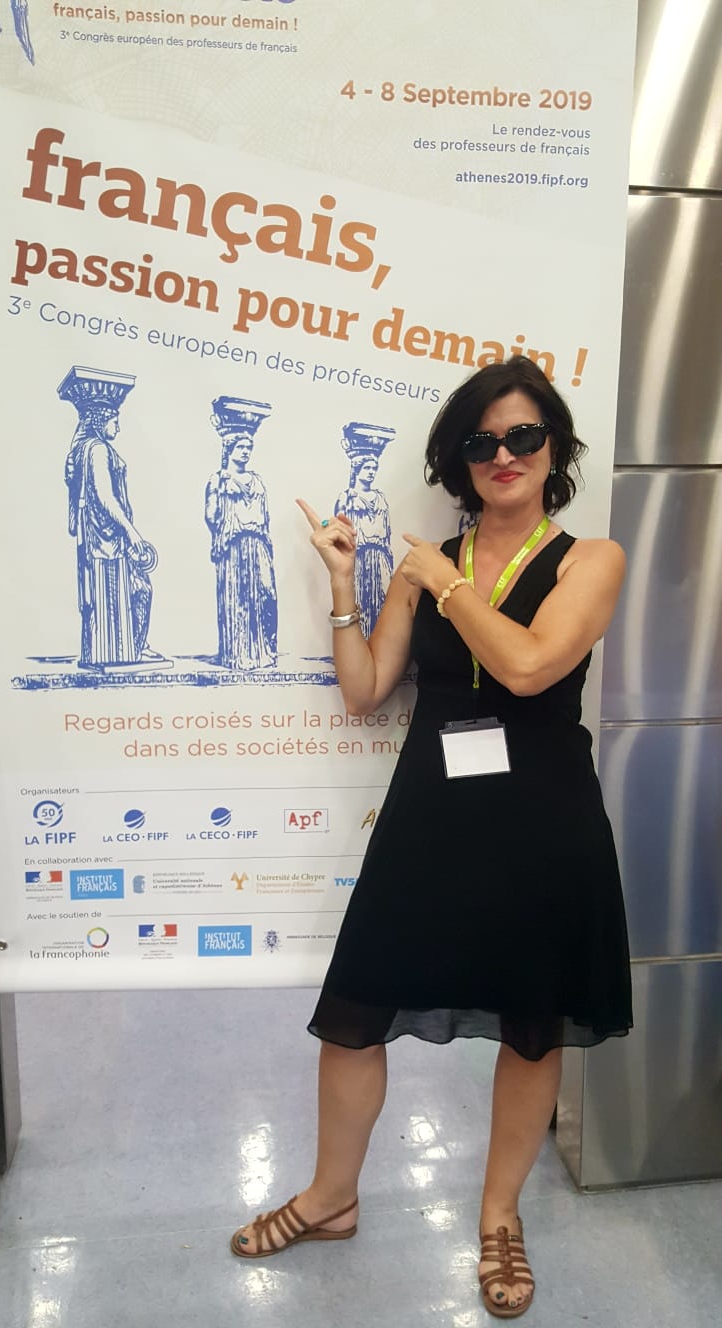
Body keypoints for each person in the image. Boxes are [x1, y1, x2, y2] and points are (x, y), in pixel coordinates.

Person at [230, 357, 633, 1318]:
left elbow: (528, 668)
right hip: (431, 812)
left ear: (553, 449)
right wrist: (344, 584)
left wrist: (445, 584)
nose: (502, 454)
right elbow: (366, 689)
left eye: (522, 436)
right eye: (481, 441)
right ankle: (330, 1198)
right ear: (459, 459)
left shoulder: (589, 559)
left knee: (531, 1026)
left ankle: (498, 1220)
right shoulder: (424, 563)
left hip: (543, 823)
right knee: (355, 1009)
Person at [61, 368, 159, 669]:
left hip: (103, 537)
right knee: (139, 589)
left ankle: (126, 648)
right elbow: (105, 496)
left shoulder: (87, 448)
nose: (118, 426)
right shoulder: (98, 449)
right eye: (115, 420)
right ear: (100, 420)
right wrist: (132, 532)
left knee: (129, 590)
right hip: (108, 537)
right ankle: (128, 649)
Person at [205, 396, 278, 670]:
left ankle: (262, 651)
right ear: (229, 448)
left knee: (265, 594)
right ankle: (239, 654)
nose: (246, 451)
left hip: (257, 543)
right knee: (238, 598)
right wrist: (229, 525)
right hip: (233, 546)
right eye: (241, 447)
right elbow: (211, 515)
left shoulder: (256, 481)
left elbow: (265, 515)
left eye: (249, 447)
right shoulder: (218, 480)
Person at [334, 422, 395, 635]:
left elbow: (386, 534)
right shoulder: (347, 498)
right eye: (367, 468)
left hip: (379, 557)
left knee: (381, 601)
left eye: (374, 469)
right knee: (359, 600)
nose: (371, 473)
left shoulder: (380, 499)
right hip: (359, 557)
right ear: (357, 468)